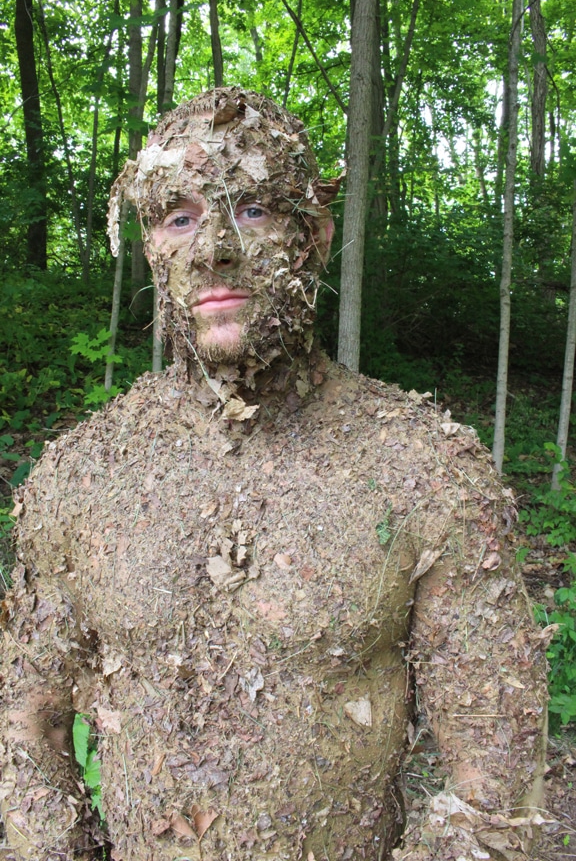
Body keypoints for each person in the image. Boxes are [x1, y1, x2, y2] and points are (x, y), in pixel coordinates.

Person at [0, 88, 548, 861]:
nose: (214, 247)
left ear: (314, 236)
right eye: (178, 216)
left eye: (253, 209)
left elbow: (498, 765)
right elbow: (24, 730)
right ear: (152, 245)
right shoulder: (83, 474)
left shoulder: (426, 468)